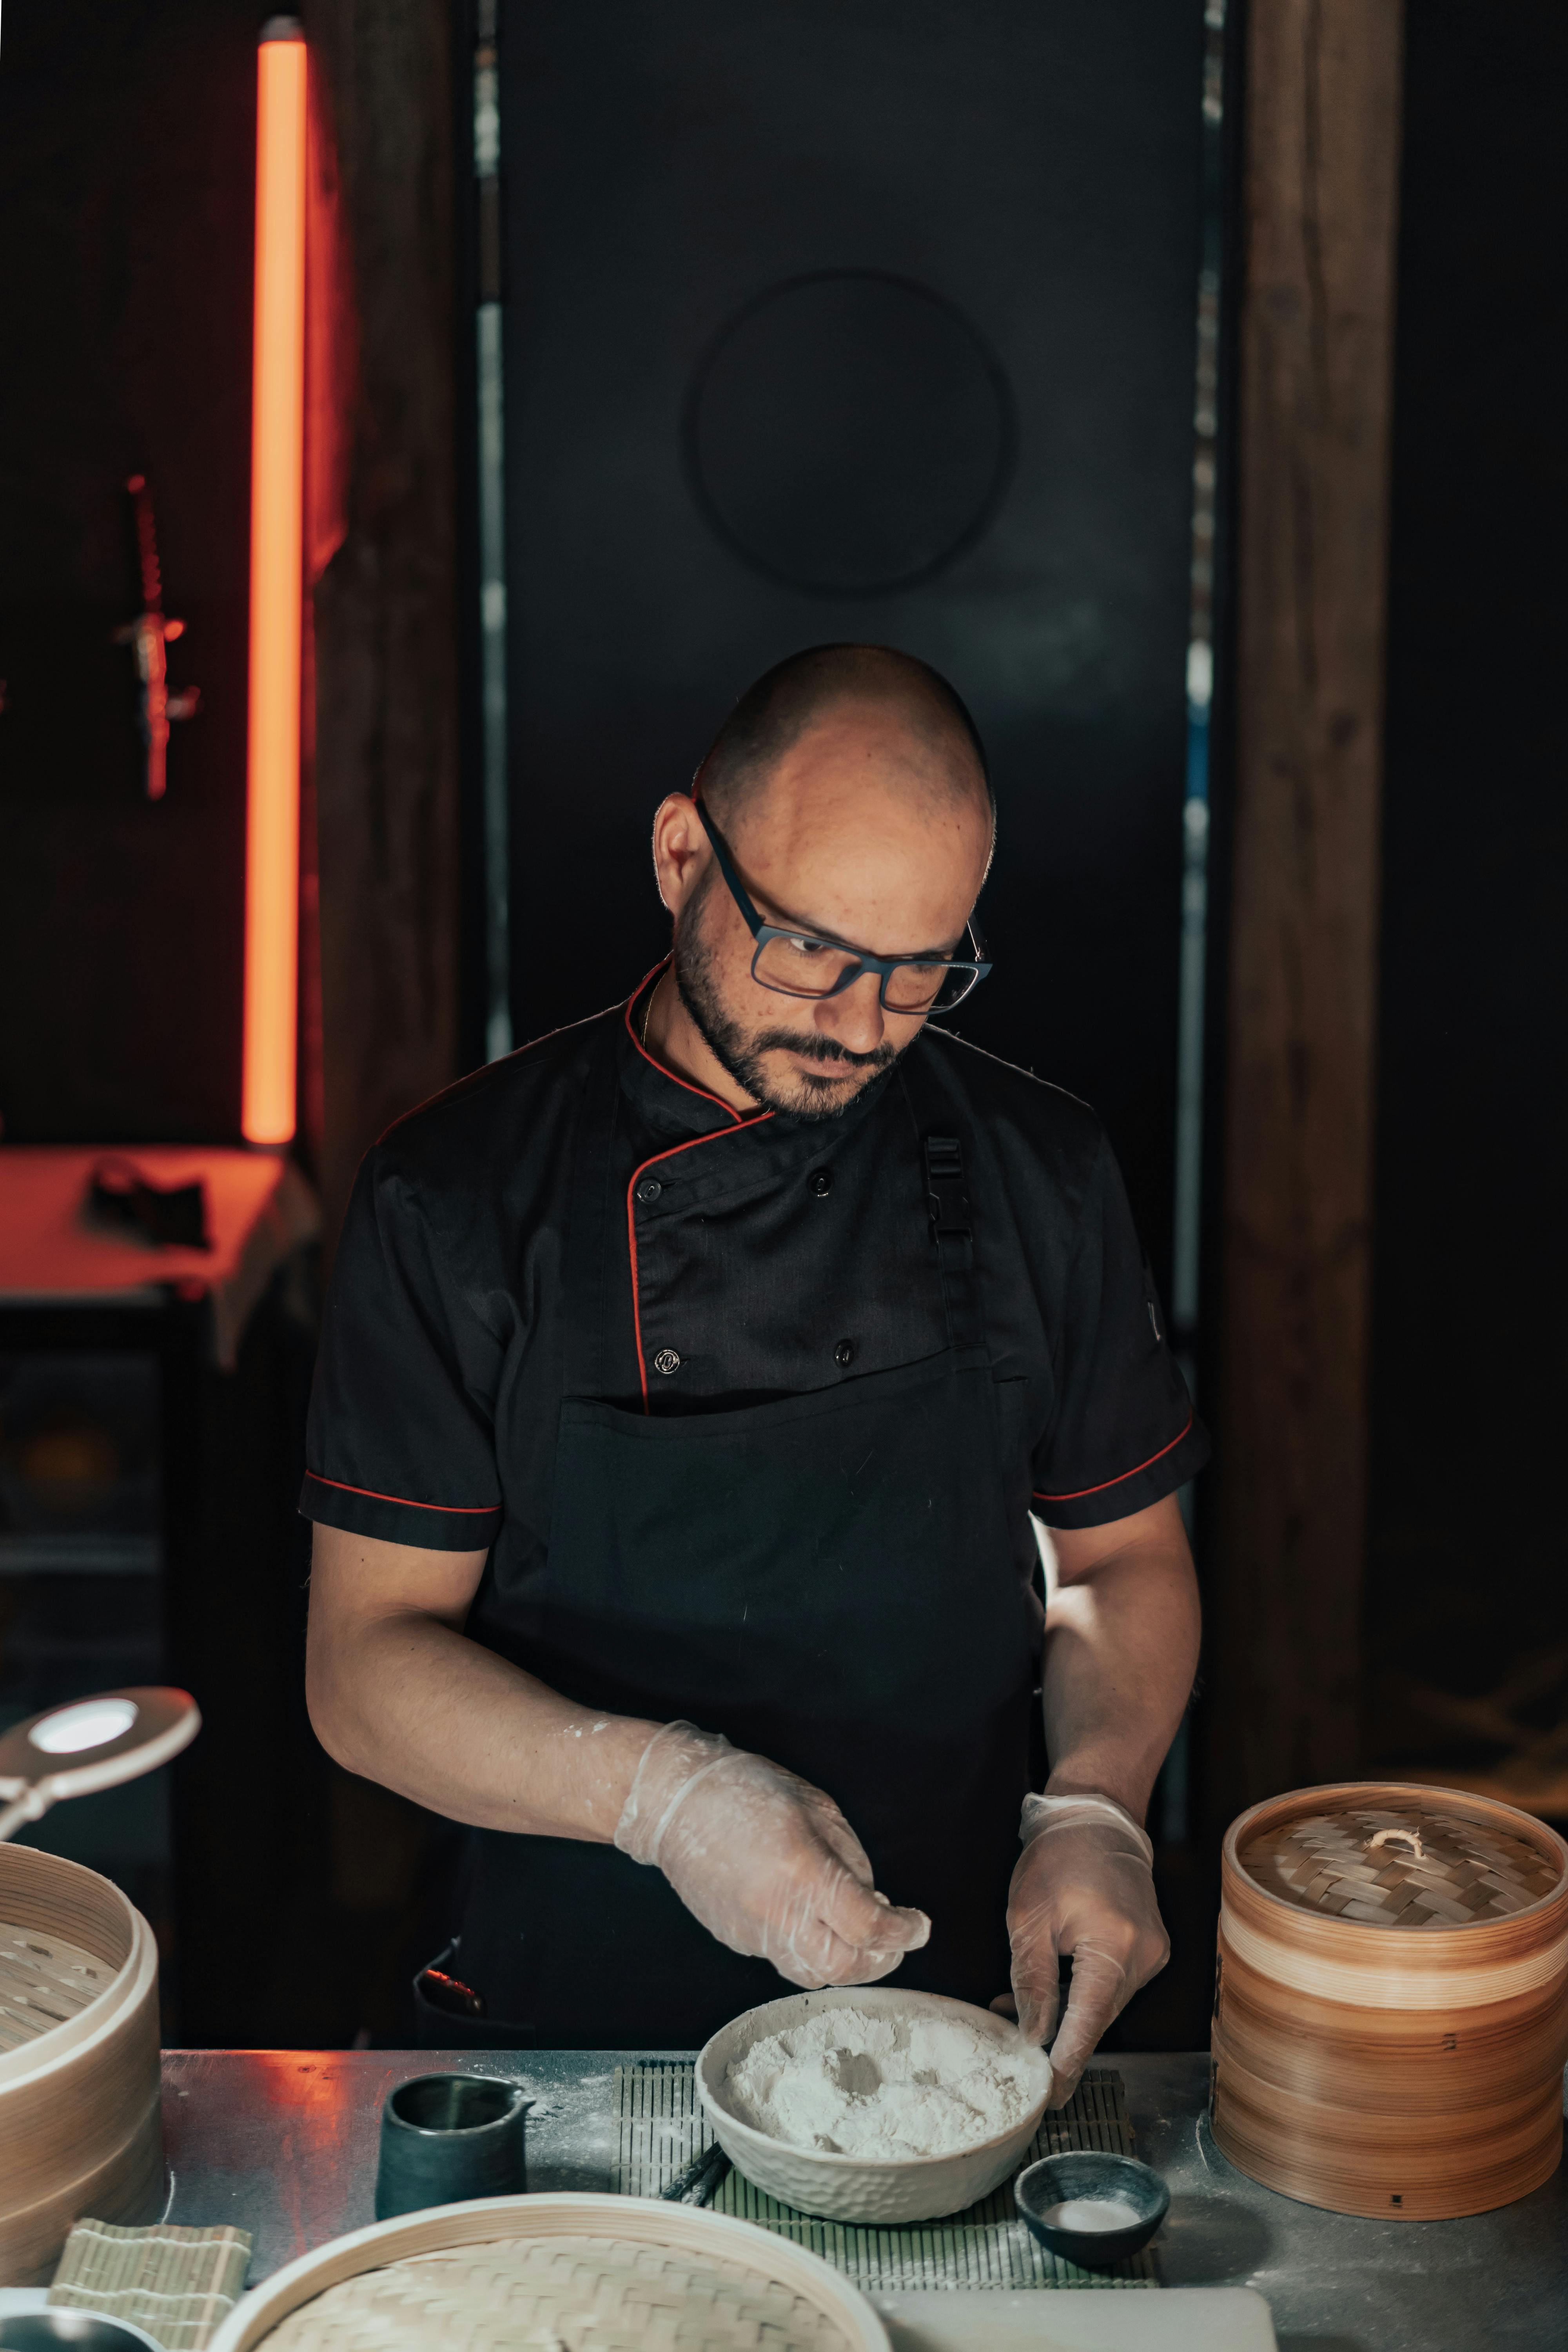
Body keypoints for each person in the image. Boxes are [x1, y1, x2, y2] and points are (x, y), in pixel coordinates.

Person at [303, 644, 1205, 2095]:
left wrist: (1095, 1807)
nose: (858, 1027)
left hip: (957, 2012)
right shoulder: (459, 1199)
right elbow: (361, 1668)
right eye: (814, 952)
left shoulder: (1045, 1172)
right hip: (571, 2027)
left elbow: (1121, 1561)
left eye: (921, 976)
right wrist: (669, 1798)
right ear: (680, 855)